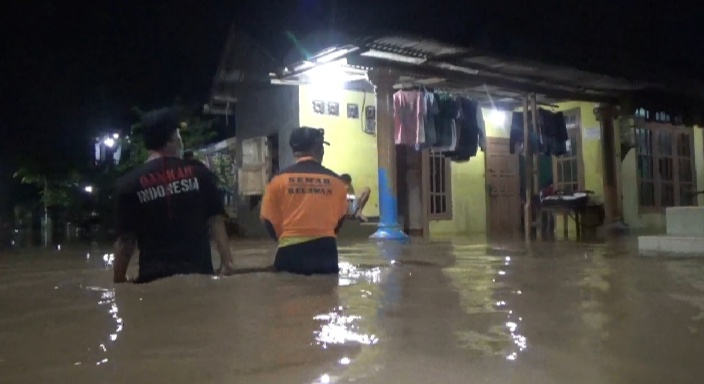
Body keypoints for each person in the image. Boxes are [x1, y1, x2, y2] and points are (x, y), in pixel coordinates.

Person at [112, 108, 234, 284]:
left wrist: (119, 280)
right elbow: (215, 220)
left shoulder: (129, 184)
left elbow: (125, 242)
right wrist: (227, 263)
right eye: (178, 134)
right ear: (173, 137)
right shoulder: (200, 174)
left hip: (153, 282)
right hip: (200, 279)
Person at [260, 127, 348, 275]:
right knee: (327, 295)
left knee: (287, 294)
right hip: (326, 253)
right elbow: (340, 218)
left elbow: (267, 219)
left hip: (289, 252)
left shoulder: (277, 180)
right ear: (318, 149)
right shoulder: (337, 182)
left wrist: (285, 238)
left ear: (295, 151)